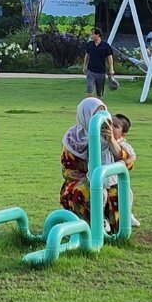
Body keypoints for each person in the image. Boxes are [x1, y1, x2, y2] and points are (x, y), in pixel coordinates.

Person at [58, 96, 108, 225]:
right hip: (78, 179)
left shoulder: (108, 133)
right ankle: (83, 228)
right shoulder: (72, 138)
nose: (99, 118)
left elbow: (125, 158)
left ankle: (113, 230)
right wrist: (85, 177)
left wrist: (111, 140)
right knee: (81, 191)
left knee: (116, 193)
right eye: (95, 114)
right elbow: (66, 169)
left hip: (106, 179)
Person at [101, 113, 139, 231]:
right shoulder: (100, 140)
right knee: (102, 196)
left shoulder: (122, 144)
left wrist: (125, 162)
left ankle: (127, 215)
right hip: (100, 179)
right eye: (110, 123)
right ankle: (101, 219)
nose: (111, 128)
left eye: (116, 126)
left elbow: (133, 156)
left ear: (122, 134)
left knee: (128, 193)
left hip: (114, 179)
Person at [83, 28, 117, 96]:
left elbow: (110, 57)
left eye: (92, 34)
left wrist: (111, 68)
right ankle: (89, 105)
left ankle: (99, 105)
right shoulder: (90, 44)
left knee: (99, 92)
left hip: (101, 71)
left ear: (97, 34)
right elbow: (87, 55)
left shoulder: (105, 45)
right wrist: (85, 66)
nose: (91, 36)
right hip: (90, 70)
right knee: (89, 88)